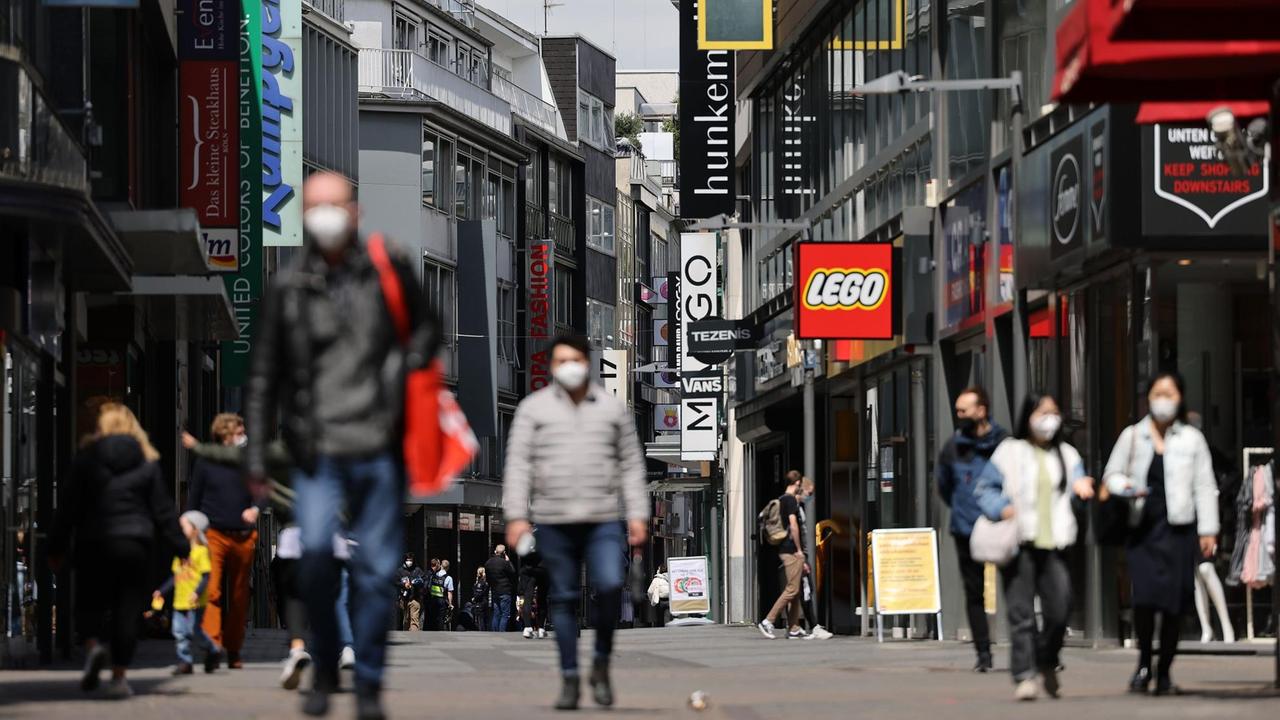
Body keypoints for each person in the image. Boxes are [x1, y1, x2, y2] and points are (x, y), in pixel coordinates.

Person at [245, 171, 441, 720]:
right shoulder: (288, 287)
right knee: (312, 563)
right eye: (313, 208)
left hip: (380, 446)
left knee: (377, 573)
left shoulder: (388, 270)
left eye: (333, 205)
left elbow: (429, 330)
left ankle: (370, 683)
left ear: (354, 212)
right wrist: (257, 456)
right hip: (317, 450)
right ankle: (327, 660)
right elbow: (262, 376)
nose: (324, 217)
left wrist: (401, 368)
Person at [503, 334, 649, 710]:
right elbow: (518, 464)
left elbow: (631, 465)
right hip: (553, 520)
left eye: (576, 359)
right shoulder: (533, 409)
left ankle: (600, 662)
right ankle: (569, 676)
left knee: (610, 584)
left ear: (588, 363)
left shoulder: (611, 409)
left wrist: (637, 513)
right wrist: (516, 515)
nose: (570, 367)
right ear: (552, 367)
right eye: (562, 360)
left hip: (602, 517)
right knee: (564, 598)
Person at [49, 403, 190, 700]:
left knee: (89, 603)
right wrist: (182, 548)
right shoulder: (147, 464)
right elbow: (164, 511)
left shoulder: (85, 460)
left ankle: (93, 647)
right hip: (134, 544)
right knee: (127, 611)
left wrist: (56, 546)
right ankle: (119, 677)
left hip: (94, 541)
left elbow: (67, 508)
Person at [1103, 372, 1219, 695]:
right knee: (1145, 599)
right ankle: (1143, 664)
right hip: (1142, 530)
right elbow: (1110, 474)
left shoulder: (1191, 439)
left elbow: (1204, 485)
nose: (1163, 400)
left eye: (1169, 394)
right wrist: (1124, 486)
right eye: (1157, 393)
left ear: (1180, 398)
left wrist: (1208, 529)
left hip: (1179, 530)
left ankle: (1164, 670)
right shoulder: (1132, 436)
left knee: (1174, 605)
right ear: (1147, 398)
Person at [974, 394, 1095, 702]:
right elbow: (984, 488)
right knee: (1022, 614)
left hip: (1055, 543)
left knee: (1060, 610)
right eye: (1043, 413)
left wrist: (1083, 489)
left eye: (1054, 413)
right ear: (1028, 416)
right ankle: (1024, 675)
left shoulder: (1067, 454)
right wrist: (1001, 508)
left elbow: (1078, 484)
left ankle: (1046, 658)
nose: (1049, 419)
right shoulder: (1010, 451)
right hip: (1019, 542)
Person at [937, 386, 1008, 671]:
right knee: (974, 592)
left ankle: (1031, 649)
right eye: (957, 412)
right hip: (966, 527)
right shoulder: (953, 447)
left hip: (1003, 524)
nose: (959, 416)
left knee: (1017, 586)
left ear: (982, 410)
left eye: (964, 411)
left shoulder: (1005, 443)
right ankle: (983, 653)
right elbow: (944, 485)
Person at [187, 413, 261, 669]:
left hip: (243, 535)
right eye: (238, 430)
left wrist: (256, 508)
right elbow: (194, 498)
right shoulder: (206, 462)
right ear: (224, 433)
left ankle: (233, 648)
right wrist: (192, 529)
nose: (243, 435)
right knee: (213, 590)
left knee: (240, 596)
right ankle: (213, 644)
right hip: (213, 535)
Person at [273, 525, 357, 690]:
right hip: (335, 540)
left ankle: (297, 649)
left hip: (296, 537)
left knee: (294, 594)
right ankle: (335, 656)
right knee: (332, 599)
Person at [154, 510, 225, 675]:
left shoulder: (201, 552)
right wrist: (161, 591)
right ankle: (185, 661)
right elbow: (175, 577)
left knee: (194, 631)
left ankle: (213, 649)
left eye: (183, 526)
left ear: (195, 529)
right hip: (180, 601)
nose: (179, 530)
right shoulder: (179, 554)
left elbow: (206, 576)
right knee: (179, 631)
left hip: (196, 601)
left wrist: (197, 592)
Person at [757, 472, 812, 640]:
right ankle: (768, 620)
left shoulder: (781, 499)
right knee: (793, 589)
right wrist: (799, 549)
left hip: (785, 549)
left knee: (794, 589)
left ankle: (794, 627)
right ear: (797, 483)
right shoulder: (790, 501)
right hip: (790, 549)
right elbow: (793, 526)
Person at [484, 545, 517, 632]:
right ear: (504, 553)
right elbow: (513, 572)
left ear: (495, 551)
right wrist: (508, 561)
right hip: (505, 590)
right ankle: (502, 633)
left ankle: (495, 632)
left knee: (496, 613)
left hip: (494, 590)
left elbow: (487, 578)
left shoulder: (488, 563)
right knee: (505, 614)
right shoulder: (504, 563)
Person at [520, 550, 550, 639]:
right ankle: (541, 628)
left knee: (528, 598)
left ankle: (528, 628)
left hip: (528, 568)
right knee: (542, 598)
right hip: (543, 568)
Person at [397, 554, 425, 632]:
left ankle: (414, 637)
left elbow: (424, 580)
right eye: (408, 560)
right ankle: (406, 637)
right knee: (406, 620)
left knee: (414, 620)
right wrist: (403, 585)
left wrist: (418, 583)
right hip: (404, 599)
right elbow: (395, 582)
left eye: (411, 560)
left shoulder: (417, 570)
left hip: (415, 598)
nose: (409, 562)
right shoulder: (400, 571)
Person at [426, 559, 454, 631]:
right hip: (441, 600)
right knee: (441, 618)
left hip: (432, 599)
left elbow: (429, 586)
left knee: (432, 618)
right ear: (448, 568)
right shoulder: (448, 578)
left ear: (441, 566)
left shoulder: (434, 575)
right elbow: (449, 592)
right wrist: (450, 604)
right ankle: (440, 634)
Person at [467, 567, 491, 631]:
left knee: (481, 619)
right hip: (482, 602)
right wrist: (475, 598)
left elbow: (478, 593)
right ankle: (482, 631)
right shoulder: (482, 583)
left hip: (481, 602)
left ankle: (482, 631)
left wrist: (474, 598)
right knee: (482, 620)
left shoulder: (479, 583)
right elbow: (480, 593)